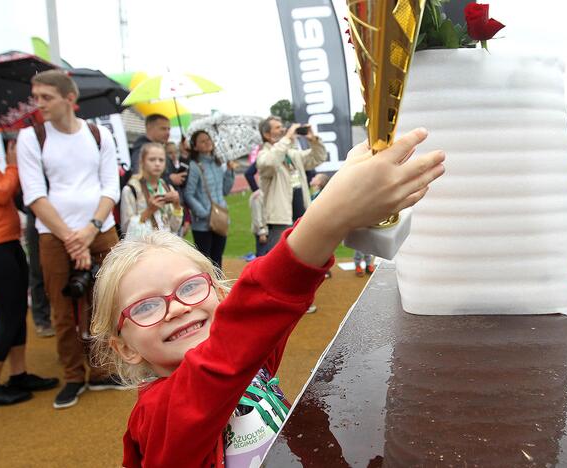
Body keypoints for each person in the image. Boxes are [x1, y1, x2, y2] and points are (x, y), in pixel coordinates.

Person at [89, 128, 444, 466]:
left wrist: (351, 190)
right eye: (147, 307)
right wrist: (330, 215)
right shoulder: (160, 415)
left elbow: (277, 306)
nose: (177, 307)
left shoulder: (248, 362)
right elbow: (238, 338)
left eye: (190, 287)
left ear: (219, 294)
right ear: (125, 347)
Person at [16, 70, 124, 409]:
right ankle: (74, 376)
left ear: (69, 99)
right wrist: (71, 238)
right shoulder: (31, 138)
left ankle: (103, 369)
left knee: (106, 301)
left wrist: (90, 230)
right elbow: (34, 195)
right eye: (36, 96)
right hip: (53, 236)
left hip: (100, 229)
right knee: (63, 309)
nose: (39, 104)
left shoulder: (99, 135)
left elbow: (111, 187)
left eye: (46, 97)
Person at [0, 140, 59, 407]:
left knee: (17, 314)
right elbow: (1, 193)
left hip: (7, 243)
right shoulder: (2, 166)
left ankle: (18, 374)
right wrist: (13, 164)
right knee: (7, 318)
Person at [256, 116, 327, 256]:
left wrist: (314, 141)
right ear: (266, 134)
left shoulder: (292, 154)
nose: (282, 129)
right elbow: (270, 163)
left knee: (302, 255)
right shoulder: (263, 155)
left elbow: (317, 158)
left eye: (282, 126)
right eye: (277, 127)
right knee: (280, 258)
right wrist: (287, 138)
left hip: (301, 215)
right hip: (280, 219)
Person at [183, 130, 237, 268]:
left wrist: (230, 172)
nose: (207, 142)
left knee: (218, 258)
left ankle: (218, 288)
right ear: (195, 147)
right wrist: (204, 213)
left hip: (221, 217)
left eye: (208, 139)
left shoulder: (218, 164)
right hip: (203, 223)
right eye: (202, 141)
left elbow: (225, 190)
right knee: (205, 261)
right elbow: (188, 194)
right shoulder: (194, 166)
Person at [120, 143, 183, 237]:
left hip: (165, 245)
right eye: (152, 159)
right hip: (143, 247)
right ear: (142, 162)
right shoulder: (131, 189)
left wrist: (177, 205)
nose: (157, 164)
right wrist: (149, 211)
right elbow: (126, 230)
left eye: (161, 160)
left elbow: (174, 227)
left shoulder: (168, 188)